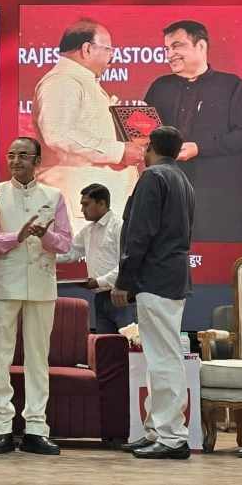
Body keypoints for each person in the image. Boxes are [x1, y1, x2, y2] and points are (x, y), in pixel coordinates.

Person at [0, 137, 72, 456]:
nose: (16, 160)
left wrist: (45, 236)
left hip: (41, 284)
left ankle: (36, 427)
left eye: (23, 155)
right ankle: (0, 427)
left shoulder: (54, 195)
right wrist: (15, 236)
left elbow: (65, 243)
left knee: (37, 358)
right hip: (3, 284)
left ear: (37, 161)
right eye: (11, 155)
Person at [114, 126, 194, 460]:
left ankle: (172, 436)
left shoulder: (153, 177)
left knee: (163, 358)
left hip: (155, 276)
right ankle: (156, 430)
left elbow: (139, 233)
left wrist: (124, 279)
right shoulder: (182, 179)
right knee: (159, 356)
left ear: (150, 147)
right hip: (170, 276)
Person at [32, 19, 143, 235]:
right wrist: (119, 151)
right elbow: (59, 135)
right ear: (87, 49)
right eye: (109, 49)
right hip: (79, 203)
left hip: (94, 203)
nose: (112, 57)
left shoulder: (80, 80)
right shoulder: (62, 81)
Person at [144, 20, 242, 242]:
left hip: (218, 196)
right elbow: (147, 133)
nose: (170, 54)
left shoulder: (232, 86)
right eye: (166, 49)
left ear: (201, 46)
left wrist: (199, 148)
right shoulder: (160, 87)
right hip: (169, 191)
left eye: (177, 46)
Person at [57, 183, 133, 333]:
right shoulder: (88, 231)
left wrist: (99, 282)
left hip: (122, 295)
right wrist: (43, 257)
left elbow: (127, 264)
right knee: (105, 344)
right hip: (100, 298)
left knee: (130, 342)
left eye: (86, 204)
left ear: (102, 203)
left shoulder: (119, 227)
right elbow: (70, 252)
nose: (82, 210)